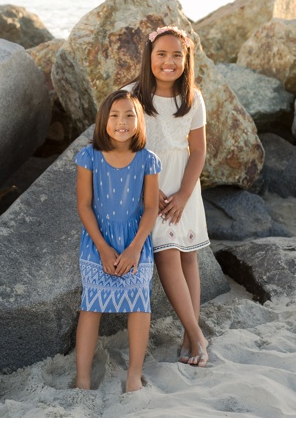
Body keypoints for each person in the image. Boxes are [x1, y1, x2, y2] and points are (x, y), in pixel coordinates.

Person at [125, 25, 210, 367]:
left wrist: (184, 194)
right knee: (167, 253)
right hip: (150, 186)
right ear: (149, 57)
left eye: (177, 55)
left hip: (184, 187)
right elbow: (124, 148)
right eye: (161, 54)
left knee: (188, 255)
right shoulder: (131, 94)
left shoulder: (193, 98)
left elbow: (199, 151)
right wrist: (153, 189)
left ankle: (190, 336)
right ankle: (199, 335)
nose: (169, 61)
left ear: (186, 59)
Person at [74, 89, 161, 392]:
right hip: (98, 242)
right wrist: (102, 246)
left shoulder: (148, 160)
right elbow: (84, 204)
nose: (122, 122)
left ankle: (134, 375)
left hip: (136, 243)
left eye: (129, 115)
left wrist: (135, 248)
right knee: (91, 304)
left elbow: (151, 207)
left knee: (140, 303)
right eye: (114, 115)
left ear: (139, 121)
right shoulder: (89, 157)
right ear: (103, 120)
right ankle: (83, 378)